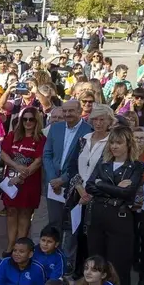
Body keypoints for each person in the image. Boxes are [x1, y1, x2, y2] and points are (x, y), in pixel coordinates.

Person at [83, 124, 143, 285]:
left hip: (120, 217)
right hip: (98, 215)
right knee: (95, 261)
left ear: (128, 144)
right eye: (112, 142)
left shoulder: (136, 166)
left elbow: (128, 192)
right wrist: (115, 187)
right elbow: (89, 186)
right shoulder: (103, 163)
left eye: (119, 143)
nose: (114, 146)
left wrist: (102, 185)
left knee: (119, 264)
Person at [42, 99, 91, 260]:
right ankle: (53, 258)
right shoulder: (55, 128)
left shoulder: (88, 131)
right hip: (53, 185)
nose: (67, 114)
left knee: (71, 225)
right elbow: (47, 154)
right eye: (65, 111)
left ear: (79, 111)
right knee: (54, 222)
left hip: (74, 185)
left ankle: (68, 260)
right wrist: (52, 179)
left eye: (71, 111)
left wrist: (63, 179)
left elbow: (83, 163)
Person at [0, 107, 46, 250]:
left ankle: (21, 245)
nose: (27, 122)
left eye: (31, 119)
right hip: (11, 180)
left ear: (36, 121)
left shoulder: (41, 139)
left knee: (25, 212)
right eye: (24, 119)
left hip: (30, 182)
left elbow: (38, 161)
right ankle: (11, 244)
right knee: (11, 211)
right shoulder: (13, 135)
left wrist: (22, 175)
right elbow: (3, 154)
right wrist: (15, 166)